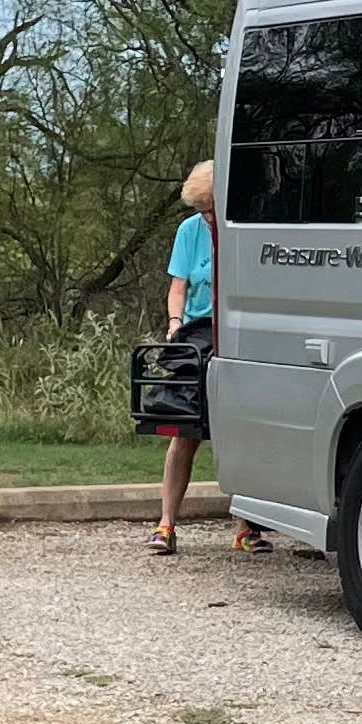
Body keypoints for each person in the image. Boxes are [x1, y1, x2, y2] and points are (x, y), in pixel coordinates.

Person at [152, 159, 270, 557]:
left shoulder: (244, 229)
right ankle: (166, 524)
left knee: (237, 431)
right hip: (198, 331)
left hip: (235, 330)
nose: (206, 215)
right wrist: (174, 322)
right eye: (201, 209)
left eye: (209, 207)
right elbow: (178, 287)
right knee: (183, 430)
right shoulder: (189, 232)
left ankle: (244, 528)